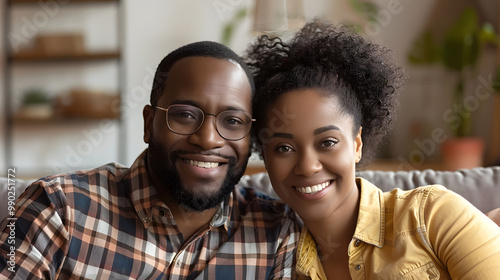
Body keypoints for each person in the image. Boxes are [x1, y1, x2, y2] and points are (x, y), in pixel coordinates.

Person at [0, 41, 300, 279]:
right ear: (148, 123)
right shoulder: (58, 209)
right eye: (184, 115)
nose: (208, 139)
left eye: (233, 120)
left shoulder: (275, 232)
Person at [244, 19, 500, 279]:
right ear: (265, 156)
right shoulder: (276, 262)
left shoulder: (433, 215)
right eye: (284, 148)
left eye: (327, 142)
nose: (308, 166)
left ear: (357, 144)